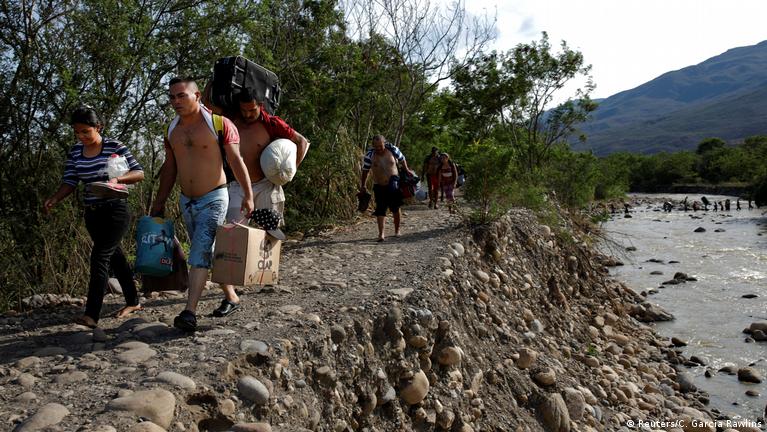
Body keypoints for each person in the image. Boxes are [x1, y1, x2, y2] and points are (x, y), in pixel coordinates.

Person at [150, 77, 254, 332]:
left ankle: (189, 313)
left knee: (199, 251)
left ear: (197, 96)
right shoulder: (171, 130)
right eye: (172, 97)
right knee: (208, 251)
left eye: (181, 95)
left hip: (214, 197)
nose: (175, 101)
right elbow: (170, 168)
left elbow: (236, 161)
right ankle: (231, 296)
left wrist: (249, 195)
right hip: (187, 200)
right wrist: (159, 202)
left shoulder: (219, 124)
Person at [43, 106, 145, 328]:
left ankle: (91, 315)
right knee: (115, 256)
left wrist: (118, 180)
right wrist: (55, 198)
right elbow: (70, 180)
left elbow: (139, 173)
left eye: (85, 131)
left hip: (116, 210)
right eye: (76, 132)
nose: (81, 136)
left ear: (98, 127)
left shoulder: (114, 146)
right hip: (92, 213)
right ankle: (133, 301)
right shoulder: (75, 152)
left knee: (100, 257)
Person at [214, 87, 310, 317]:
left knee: (270, 230)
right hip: (238, 186)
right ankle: (232, 286)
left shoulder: (272, 123)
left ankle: (265, 273)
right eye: (244, 110)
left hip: (267, 184)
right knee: (233, 233)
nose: (248, 114)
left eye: (252, 110)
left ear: (261, 106)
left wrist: (289, 172)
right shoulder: (231, 122)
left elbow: (302, 142)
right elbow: (209, 104)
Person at [360, 135, 410, 242]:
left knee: (395, 208)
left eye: (380, 146)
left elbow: (402, 159)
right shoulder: (369, 155)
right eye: (376, 146)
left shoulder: (393, 150)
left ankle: (397, 230)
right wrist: (363, 185)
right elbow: (365, 171)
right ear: (373, 146)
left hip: (394, 184)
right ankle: (381, 234)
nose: (378, 148)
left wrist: (407, 170)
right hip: (379, 185)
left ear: (384, 143)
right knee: (380, 209)